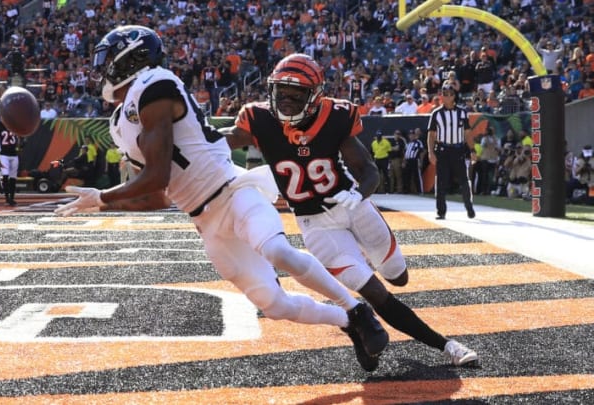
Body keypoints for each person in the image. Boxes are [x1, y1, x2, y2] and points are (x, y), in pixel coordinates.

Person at [54, 25, 389, 359]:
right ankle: (347, 320)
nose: (105, 68)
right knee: (274, 305)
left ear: (132, 57)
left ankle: (357, 309)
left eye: (111, 58)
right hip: (205, 220)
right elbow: (158, 197)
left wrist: (104, 197)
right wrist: (102, 206)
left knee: (276, 250)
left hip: (232, 191)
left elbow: (156, 177)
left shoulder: (154, 84)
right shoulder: (119, 122)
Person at [221, 53, 478, 371]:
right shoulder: (258, 120)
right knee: (375, 293)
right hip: (316, 225)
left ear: (314, 96)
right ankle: (447, 345)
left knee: (399, 277)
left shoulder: (335, 116)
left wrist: (357, 195)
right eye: (281, 92)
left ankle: (365, 262)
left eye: (296, 94)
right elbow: (213, 144)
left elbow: (369, 170)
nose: (286, 101)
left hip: (352, 207)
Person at [427, 84, 476, 219]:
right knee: (441, 182)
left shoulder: (462, 112)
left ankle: (469, 207)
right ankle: (441, 211)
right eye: (444, 94)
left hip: (458, 150)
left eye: (449, 94)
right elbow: (431, 135)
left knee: (464, 181)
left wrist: (472, 150)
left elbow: (467, 133)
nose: (446, 96)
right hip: (442, 150)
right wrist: (431, 153)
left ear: (454, 96)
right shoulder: (436, 113)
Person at [0, 119, 21, 206]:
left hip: (14, 155)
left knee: (13, 178)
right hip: (4, 155)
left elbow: (21, 138)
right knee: (5, 176)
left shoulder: (16, 122)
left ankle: (11, 198)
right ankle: (7, 197)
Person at [402, 128, 425, 194]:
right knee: (407, 176)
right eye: (410, 135)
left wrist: (420, 161)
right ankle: (407, 190)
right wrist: (404, 161)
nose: (411, 136)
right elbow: (405, 153)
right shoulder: (408, 144)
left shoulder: (418, 142)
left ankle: (420, 191)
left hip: (415, 160)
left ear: (415, 135)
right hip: (408, 161)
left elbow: (422, 152)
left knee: (417, 176)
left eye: (412, 135)